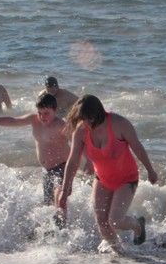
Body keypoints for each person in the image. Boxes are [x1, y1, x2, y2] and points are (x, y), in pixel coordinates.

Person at [58, 95, 158, 254]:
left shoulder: (119, 124)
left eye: (89, 119)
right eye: (83, 119)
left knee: (115, 221)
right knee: (102, 223)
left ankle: (138, 225)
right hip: (102, 179)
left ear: (98, 113)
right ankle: (120, 254)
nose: (87, 123)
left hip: (127, 179)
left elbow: (137, 147)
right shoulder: (81, 130)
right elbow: (73, 160)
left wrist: (150, 170)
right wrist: (65, 189)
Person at [0, 93, 70, 216]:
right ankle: (54, 226)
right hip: (46, 170)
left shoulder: (61, 125)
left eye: (46, 113)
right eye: (39, 113)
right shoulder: (34, 119)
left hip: (62, 167)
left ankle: (63, 226)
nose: (42, 117)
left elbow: (79, 142)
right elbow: (12, 121)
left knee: (59, 200)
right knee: (48, 206)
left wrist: (88, 161)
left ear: (55, 110)